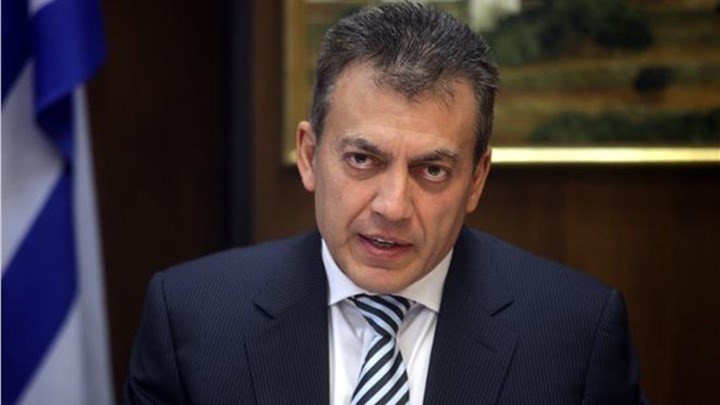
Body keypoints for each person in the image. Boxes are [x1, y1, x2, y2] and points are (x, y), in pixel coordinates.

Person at [125, 3, 644, 404]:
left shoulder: (576, 335)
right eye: (362, 160)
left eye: (432, 170)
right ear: (309, 156)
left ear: (476, 180)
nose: (393, 207)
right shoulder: (191, 320)